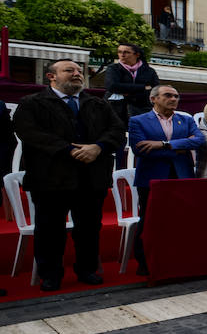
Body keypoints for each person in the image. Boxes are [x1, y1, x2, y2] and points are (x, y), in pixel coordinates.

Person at [12, 59, 126, 290]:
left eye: (78, 71)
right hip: (50, 178)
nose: (77, 74)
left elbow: (117, 131)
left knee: (89, 229)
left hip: (92, 177)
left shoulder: (97, 104)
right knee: (50, 229)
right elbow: (30, 133)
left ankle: (86, 270)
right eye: (69, 70)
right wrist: (70, 150)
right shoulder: (32, 103)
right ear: (51, 76)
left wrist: (98, 148)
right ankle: (51, 275)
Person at [128, 85, 203, 275]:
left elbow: (198, 141)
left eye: (176, 96)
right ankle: (144, 262)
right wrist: (178, 149)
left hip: (182, 176)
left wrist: (163, 145)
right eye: (168, 95)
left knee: (181, 221)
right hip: (152, 178)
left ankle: (178, 258)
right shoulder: (138, 121)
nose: (174, 99)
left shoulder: (185, 120)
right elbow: (140, 149)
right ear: (153, 99)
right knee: (149, 221)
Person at [103, 43, 158, 126]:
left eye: (126, 52)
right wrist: (142, 87)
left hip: (142, 110)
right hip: (116, 109)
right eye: (119, 52)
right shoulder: (113, 68)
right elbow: (112, 86)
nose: (122, 55)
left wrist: (126, 90)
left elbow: (155, 90)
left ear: (137, 54)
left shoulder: (149, 71)